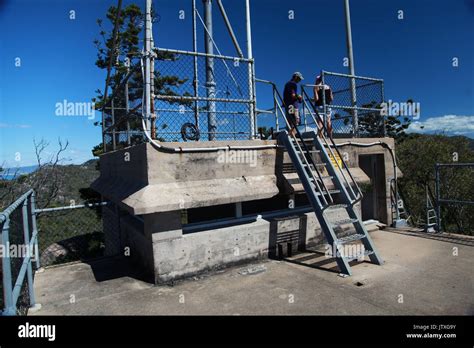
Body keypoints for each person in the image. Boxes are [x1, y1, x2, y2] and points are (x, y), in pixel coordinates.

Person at [283, 72, 304, 137]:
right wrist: (299, 97)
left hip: (288, 104)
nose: (299, 80)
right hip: (292, 105)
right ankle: (292, 135)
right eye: (299, 79)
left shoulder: (287, 84)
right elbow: (293, 95)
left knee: (291, 120)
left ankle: (292, 134)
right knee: (295, 120)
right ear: (296, 77)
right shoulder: (293, 84)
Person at [313, 74, 334, 139]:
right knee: (328, 121)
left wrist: (312, 100)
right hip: (327, 105)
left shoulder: (316, 87)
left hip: (319, 105)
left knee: (320, 122)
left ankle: (321, 138)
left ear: (317, 80)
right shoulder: (328, 87)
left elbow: (316, 98)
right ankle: (330, 137)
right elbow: (331, 98)